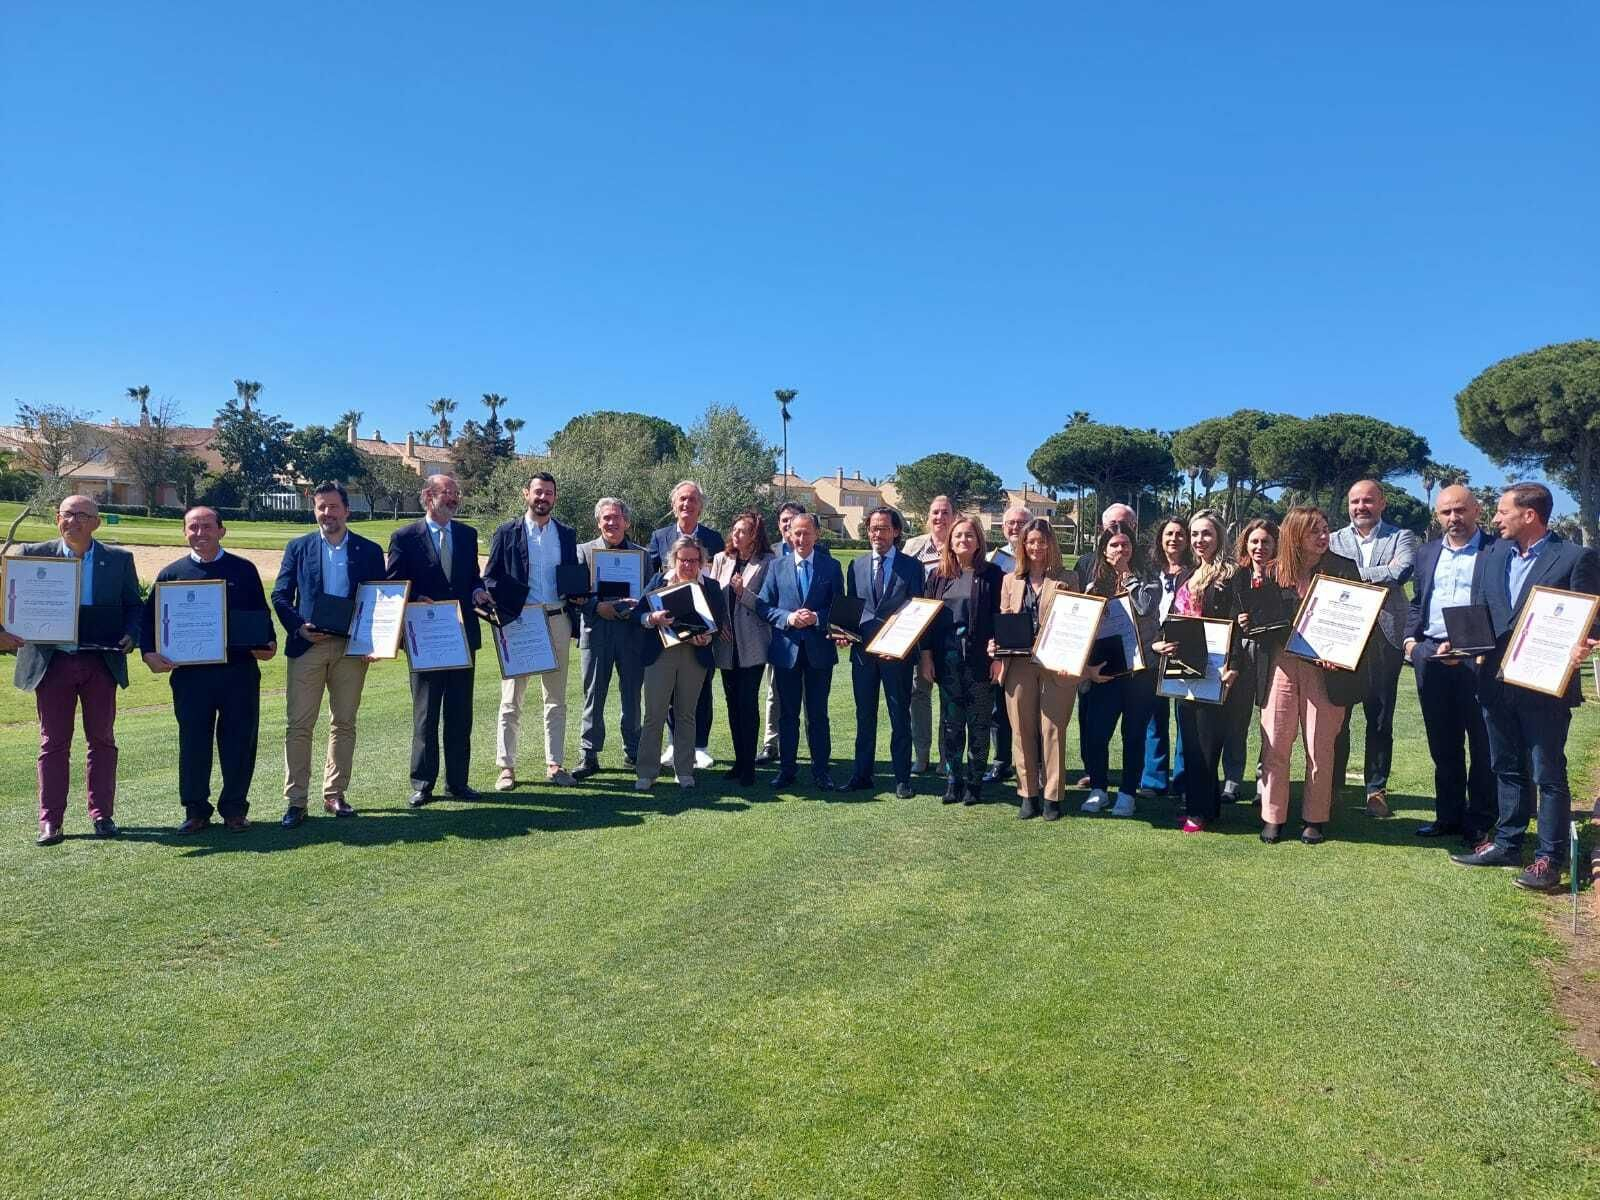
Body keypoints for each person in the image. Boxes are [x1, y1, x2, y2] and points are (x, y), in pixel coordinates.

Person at [1452, 483, 1600, 891]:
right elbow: (1481, 611)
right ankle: (1507, 842)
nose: (1495, 520)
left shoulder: (1575, 558)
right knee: (1505, 766)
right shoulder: (1492, 554)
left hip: (1545, 686)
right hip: (1493, 683)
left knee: (1547, 772)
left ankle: (1548, 859)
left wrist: (1583, 644)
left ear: (1529, 515)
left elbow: (1593, 617)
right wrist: (1461, 644)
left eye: (1502, 512)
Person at [2, 495, 141, 845]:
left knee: (103, 740)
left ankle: (102, 815)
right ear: (56, 518)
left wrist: (132, 634)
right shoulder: (32, 555)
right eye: (68, 514)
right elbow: (7, 602)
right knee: (53, 743)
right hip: (52, 664)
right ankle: (51, 821)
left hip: (100, 662)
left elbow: (133, 607)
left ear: (96, 522)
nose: (74, 521)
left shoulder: (119, 560)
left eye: (83, 515)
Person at [142, 507, 276, 833]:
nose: (200, 533)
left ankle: (234, 808)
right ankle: (196, 809)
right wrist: (149, 653)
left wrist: (267, 643)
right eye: (193, 527)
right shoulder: (171, 574)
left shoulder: (243, 570)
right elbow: (150, 623)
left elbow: (260, 615)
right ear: (184, 532)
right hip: (190, 677)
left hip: (238, 672)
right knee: (193, 742)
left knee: (239, 741)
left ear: (221, 530)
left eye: (207, 526)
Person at [1244, 506, 1368, 845]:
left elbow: (1357, 621)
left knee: (1320, 743)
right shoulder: (1270, 572)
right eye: (1315, 530)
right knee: (1276, 741)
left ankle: (1315, 817)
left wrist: (1339, 653)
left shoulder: (1344, 569)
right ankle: (1273, 816)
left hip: (1325, 669)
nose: (1324, 536)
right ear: (1295, 534)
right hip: (1280, 664)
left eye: (1326, 529)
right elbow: (1256, 622)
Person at [272, 480, 388, 828]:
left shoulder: (368, 550)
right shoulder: (298, 547)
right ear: (314, 509)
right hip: (308, 646)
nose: (327, 513)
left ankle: (334, 794)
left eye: (333, 507)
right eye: (321, 507)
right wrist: (298, 627)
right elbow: (280, 595)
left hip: (351, 650)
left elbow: (381, 600)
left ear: (346, 510)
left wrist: (376, 641)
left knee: (344, 723)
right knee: (299, 725)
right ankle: (296, 801)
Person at [386, 474, 490, 807]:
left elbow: (473, 577)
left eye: (457, 493)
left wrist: (478, 590)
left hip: (461, 636)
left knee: (460, 715)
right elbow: (394, 584)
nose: (454, 498)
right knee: (426, 715)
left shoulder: (467, 534)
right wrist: (416, 598)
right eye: (448, 493)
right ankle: (422, 783)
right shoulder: (404, 537)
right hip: (425, 637)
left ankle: (457, 783)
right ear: (428, 496)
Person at [1402, 485, 1495, 842]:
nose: (1453, 518)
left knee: (1483, 743)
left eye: (1460, 510)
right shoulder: (1426, 554)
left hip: (1478, 659)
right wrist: (1411, 644)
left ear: (1476, 511)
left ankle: (1481, 819)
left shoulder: (1495, 551)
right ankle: (1448, 817)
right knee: (1443, 743)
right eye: (1446, 512)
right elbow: (1417, 603)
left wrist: (1482, 648)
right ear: (1437, 516)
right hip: (1432, 657)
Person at [484, 472, 582, 790]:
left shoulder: (566, 534)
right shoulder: (507, 532)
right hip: (520, 622)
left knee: (555, 699)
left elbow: (572, 578)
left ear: (555, 497)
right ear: (526, 493)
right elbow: (491, 577)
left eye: (549, 493)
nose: (543, 498)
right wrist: (501, 604)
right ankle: (507, 767)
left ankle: (555, 764)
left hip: (557, 619)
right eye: (538, 492)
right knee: (511, 699)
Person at [1330, 479, 1419, 817]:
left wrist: (1349, 575)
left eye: (1368, 501)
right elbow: (1327, 577)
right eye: (1354, 502)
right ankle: (1334, 787)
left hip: (1385, 637)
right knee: (1338, 716)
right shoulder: (1335, 539)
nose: (1360, 507)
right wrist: (1367, 575)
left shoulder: (1402, 537)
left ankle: (1376, 790)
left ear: (1382, 503)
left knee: (1380, 719)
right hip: (1343, 635)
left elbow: (1400, 572)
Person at [1152, 509, 1242, 833]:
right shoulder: (1190, 574)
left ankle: (1199, 813)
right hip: (1183, 666)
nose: (1199, 540)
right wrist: (1160, 644)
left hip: (1216, 670)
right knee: (1189, 740)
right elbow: (1173, 621)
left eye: (1206, 533)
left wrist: (1234, 666)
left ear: (1218, 536)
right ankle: (1202, 806)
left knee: (1206, 744)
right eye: (1194, 534)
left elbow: (1238, 627)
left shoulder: (1231, 575)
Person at [991, 518, 1077, 820]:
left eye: (1042, 541)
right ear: (1022, 546)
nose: (1036, 547)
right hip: (1018, 665)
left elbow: (1075, 624)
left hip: (1056, 666)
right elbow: (1004, 619)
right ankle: (1028, 794)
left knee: (1052, 731)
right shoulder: (1010, 580)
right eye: (1030, 542)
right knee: (1022, 730)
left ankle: (1052, 797)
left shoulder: (1068, 578)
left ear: (1051, 544)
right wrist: (996, 645)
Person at [1076, 523, 1162, 817]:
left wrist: (1129, 578)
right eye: (1114, 545)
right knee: (1097, 733)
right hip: (1106, 669)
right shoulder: (1094, 581)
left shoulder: (1148, 578)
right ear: (1103, 549)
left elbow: (1146, 609)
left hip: (1140, 670)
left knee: (1134, 734)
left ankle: (1127, 793)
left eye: (1125, 544)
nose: (1120, 550)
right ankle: (1099, 788)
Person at [840, 505, 925, 797]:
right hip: (863, 654)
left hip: (896, 657)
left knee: (899, 716)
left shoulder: (912, 566)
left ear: (896, 532)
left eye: (884, 528)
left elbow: (917, 611)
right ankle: (862, 775)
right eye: (874, 528)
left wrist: (901, 646)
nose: (878, 534)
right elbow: (852, 608)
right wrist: (843, 634)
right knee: (865, 717)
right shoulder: (856, 566)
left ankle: (902, 778)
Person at [919, 516, 1003, 805]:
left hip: (980, 661)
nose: (963, 540)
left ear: (978, 540)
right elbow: (926, 622)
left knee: (979, 723)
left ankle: (975, 782)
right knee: (951, 724)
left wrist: (999, 657)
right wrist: (926, 657)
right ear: (950, 542)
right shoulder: (938, 576)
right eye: (957, 536)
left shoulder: (993, 575)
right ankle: (953, 780)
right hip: (947, 662)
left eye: (969, 535)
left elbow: (1000, 618)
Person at [756, 512, 844, 790]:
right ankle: (787, 770)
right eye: (796, 533)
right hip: (786, 651)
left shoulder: (831, 567)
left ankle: (821, 771)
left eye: (807, 533)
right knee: (787, 715)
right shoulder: (777, 567)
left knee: (818, 715)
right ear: (789, 535)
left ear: (817, 535)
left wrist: (817, 618)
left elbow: (840, 609)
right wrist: (788, 618)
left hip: (819, 651)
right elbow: (763, 606)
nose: (801, 538)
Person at [649, 480, 724, 771]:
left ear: (700, 506)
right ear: (673, 505)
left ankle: (700, 746)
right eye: (681, 500)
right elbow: (652, 582)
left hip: (703, 624)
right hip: (669, 625)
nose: (686, 505)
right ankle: (674, 743)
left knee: (702, 685)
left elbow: (719, 581)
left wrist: (715, 626)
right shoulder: (659, 537)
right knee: (668, 689)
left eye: (692, 500)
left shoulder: (714, 539)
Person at [635, 537, 720, 791]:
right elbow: (638, 615)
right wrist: (653, 618)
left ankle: (684, 771)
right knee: (654, 714)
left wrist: (707, 637)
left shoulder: (711, 587)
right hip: (660, 655)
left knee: (686, 714)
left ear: (702, 562)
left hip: (695, 657)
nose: (689, 565)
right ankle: (647, 771)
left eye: (694, 561)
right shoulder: (659, 582)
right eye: (683, 560)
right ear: (674, 560)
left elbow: (720, 623)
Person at [571, 497, 647, 778]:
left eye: (617, 518)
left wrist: (634, 608)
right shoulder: (583, 551)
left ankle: (634, 751)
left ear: (626, 522)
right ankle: (588, 754)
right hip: (596, 632)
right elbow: (575, 594)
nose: (611, 523)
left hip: (631, 634)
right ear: (598, 522)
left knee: (631, 695)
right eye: (606, 518)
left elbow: (649, 596)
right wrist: (595, 606)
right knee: (593, 694)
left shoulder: (643, 555)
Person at [710, 510, 776, 786]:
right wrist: (717, 623)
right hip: (726, 644)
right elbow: (711, 596)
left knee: (747, 704)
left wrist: (743, 593)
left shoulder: (768, 562)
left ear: (755, 535)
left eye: (743, 531)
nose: (736, 535)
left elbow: (768, 603)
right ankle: (738, 762)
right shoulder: (721, 559)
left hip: (753, 644)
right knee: (732, 705)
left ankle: (749, 766)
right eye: (734, 530)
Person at [1140, 515, 1194, 800]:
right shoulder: (1149, 572)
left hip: (1182, 649)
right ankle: (1154, 780)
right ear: (1160, 539)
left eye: (1180, 534)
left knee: (1185, 717)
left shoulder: (1195, 572)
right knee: (1154, 717)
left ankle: (1183, 780)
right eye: (1169, 534)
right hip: (1152, 650)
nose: (1174, 539)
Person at [902, 495, 956, 773]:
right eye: (935, 512)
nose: (939, 517)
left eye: (945, 512)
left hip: (949, 633)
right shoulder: (913, 547)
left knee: (949, 697)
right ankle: (921, 756)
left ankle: (947, 757)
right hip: (917, 633)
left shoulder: (963, 543)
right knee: (918, 695)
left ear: (953, 516)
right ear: (928, 516)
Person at [981, 504, 1032, 786]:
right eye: (1011, 523)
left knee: (1029, 709)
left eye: (1022, 522)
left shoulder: (1040, 557)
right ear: (1003, 528)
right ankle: (1001, 761)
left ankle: (1031, 763)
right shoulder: (990, 560)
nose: (1016, 527)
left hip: (1031, 647)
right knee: (998, 709)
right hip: (997, 643)